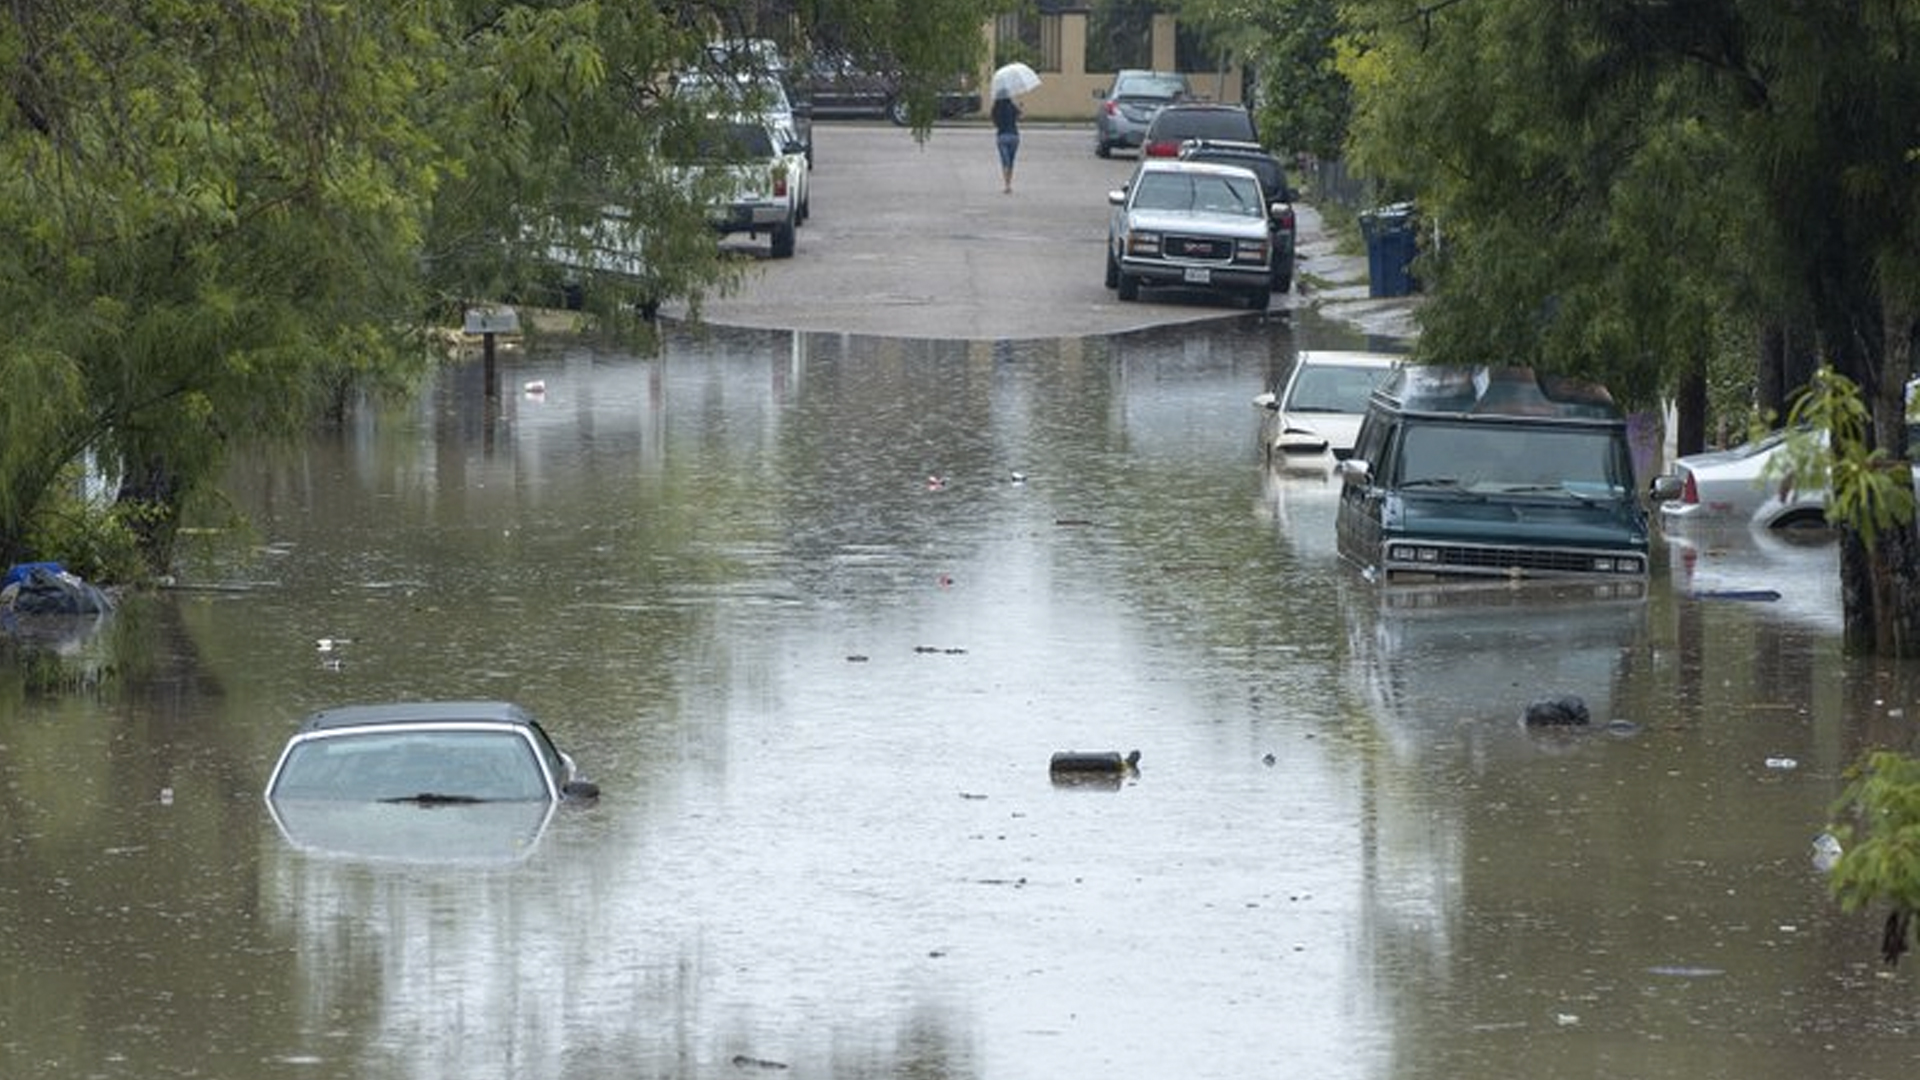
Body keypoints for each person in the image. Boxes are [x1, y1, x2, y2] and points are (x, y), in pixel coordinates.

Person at [992, 93, 1022, 193]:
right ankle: (1009, 184)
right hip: (1014, 136)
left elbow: (995, 124)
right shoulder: (1012, 107)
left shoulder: (996, 109)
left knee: (1005, 162)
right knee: (1011, 162)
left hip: (1002, 136)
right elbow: (1019, 117)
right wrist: (1019, 107)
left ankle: (1007, 185)